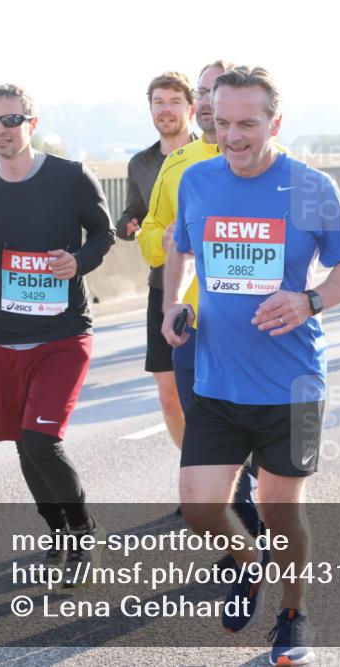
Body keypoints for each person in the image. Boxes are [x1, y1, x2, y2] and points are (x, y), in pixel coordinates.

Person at [161, 66, 340, 666]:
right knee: (201, 508)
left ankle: (294, 612)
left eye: (247, 124)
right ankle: (250, 565)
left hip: (291, 383)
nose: (232, 136)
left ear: (275, 123)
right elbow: (181, 247)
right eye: (222, 122)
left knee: (281, 511)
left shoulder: (310, 187)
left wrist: (310, 300)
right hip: (217, 377)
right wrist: (175, 301)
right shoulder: (197, 179)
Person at [0, 84, 114, 582]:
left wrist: (78, 262)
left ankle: (83, 533)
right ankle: (57, 532)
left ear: (31, 123)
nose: (0, 130)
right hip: (4, 334)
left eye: (10, 120)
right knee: (24, 445)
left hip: (63, 333)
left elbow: (104, 234)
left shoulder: (70, 177)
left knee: (42, 441)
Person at [136, 59, 262, 537]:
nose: (210, 102)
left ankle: (257, 525)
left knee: (253, 431)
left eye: (217, 92)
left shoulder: (281, 161)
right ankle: (243, 539)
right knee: (210, 429)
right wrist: (166, 240)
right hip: (195, 324)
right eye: (205, 92)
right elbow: (152, 235)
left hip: (255, 322)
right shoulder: (180, 166)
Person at [117, 72, 197, 450]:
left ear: (191, 108)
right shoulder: (140, 164)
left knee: (210, 395)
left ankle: (227, 481)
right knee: (170, 397)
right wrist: (125, 225)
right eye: (159, 102)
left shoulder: (213, 154)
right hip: (162, 285)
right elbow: (135, 211)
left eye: (174, 102)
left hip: (208, 289)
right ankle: (194, 478)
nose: (166, 110)